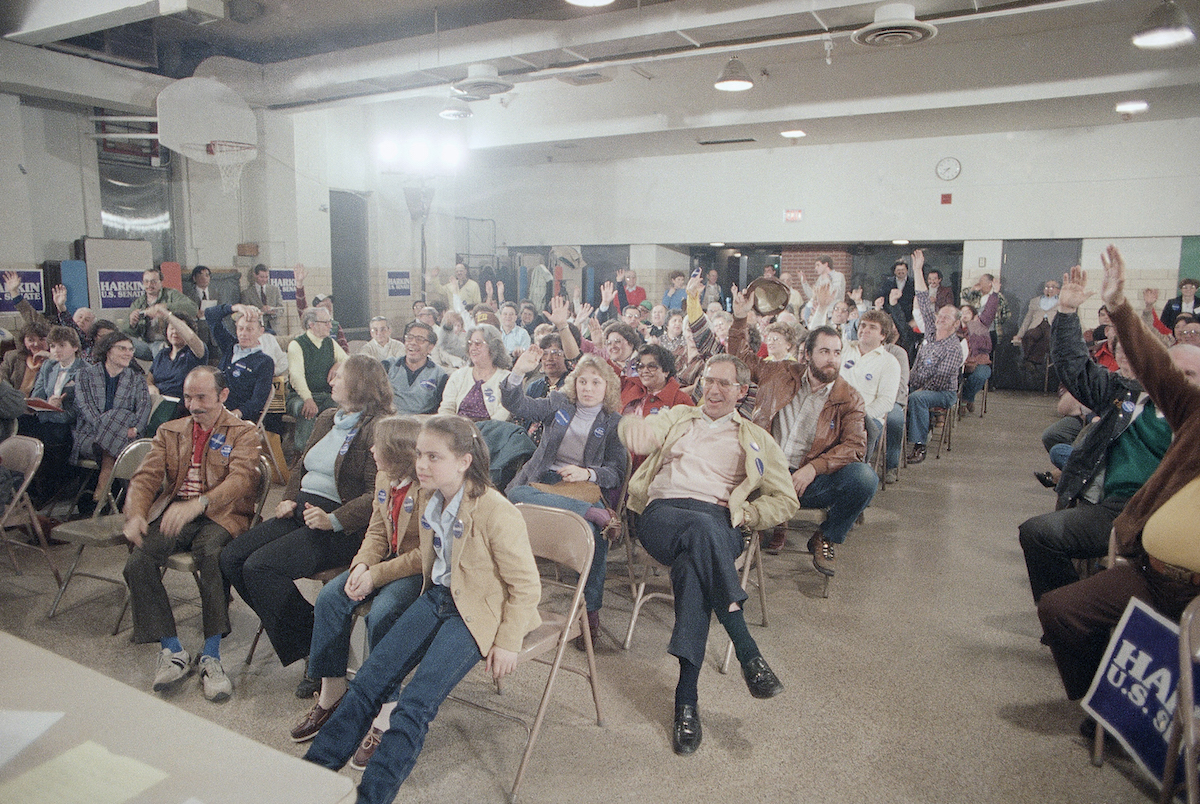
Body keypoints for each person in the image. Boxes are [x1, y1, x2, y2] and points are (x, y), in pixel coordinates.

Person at [303, 415, 540, 802]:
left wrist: (508, 641)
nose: (421, 464)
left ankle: (372, 797)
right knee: (366, 683)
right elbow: (386, 534)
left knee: (414, 706)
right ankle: (312, 777)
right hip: (437, 597)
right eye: (419, 454)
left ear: (464, 461)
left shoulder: (496, 510)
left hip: (475, 612)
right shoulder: (429, 495)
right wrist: (368, 565)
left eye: (434, 456)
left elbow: (527, 586)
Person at [1038, 245, 1200, 707]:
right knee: (1058, 609)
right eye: (1179, 374)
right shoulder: (1172, 406)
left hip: (1181, 576)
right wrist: (1117, 306)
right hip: (1149, 563)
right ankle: (1100, 695)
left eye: (1193, 374)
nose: (1181, 381)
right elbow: (1152, 365)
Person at [619, 354, 797, 755]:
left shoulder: (755, 438)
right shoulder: (680, 416)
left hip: (719, 521)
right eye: (708, 381)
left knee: (692, 567)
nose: (712, 390)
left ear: (741, 391)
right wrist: (634, 430)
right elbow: (644, 431)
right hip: (663, 514)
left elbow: (785, 500)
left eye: (723, 384)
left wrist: (749, 513)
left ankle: (687, 700)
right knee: (700, 537)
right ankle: (747, 650)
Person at [221, 356, 392, 678]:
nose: (331, 382)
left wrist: (334, 520)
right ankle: (319, 637)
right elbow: (302, 464)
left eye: (338, 376)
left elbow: (377, 495)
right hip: (301, 510)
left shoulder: (378, 428)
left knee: (260, 567)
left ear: (358, 383)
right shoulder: (329, 417)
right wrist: (287, 499)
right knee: (231, 558)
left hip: (342, 526)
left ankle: (317, 653)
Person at [1018, 263, 1175, 603]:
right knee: (1038, 532)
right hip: (1116, 509)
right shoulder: (1123, 394)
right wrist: (1068, 310)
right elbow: (1074, 367)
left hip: (1168, 510)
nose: (1130, 360)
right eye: (1123, 353)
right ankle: (1066, 610)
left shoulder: (1188, 414)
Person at [289, 417, 425, 766]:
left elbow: (426, 555)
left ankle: (385, 708)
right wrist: (362, 565)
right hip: (382, 562)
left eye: (379, 445)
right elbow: (377, 531)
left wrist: (375, 575)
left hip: (415, 570)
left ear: (398, 453)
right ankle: (331, 692)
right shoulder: (384, 478)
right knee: (332, 597)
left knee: (383, 614)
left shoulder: (428, 489)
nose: (372, 450)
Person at [122, 366, 260, 702]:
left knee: (212, 557)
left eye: (201, 397)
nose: (193, 404)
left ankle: (211, 655)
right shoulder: (171, 430)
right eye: (188, 396)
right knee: (137, 562)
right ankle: (172, 650)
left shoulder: (244, 433)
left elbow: (241, 480)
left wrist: (199, 503)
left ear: (222, 396)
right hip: (178, 511)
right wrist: (137, 514)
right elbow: (144, 479)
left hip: (221, 515)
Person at [730, 286, 875, 570]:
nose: (832, 359)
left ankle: (826, 536)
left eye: (836, 352)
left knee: (865, 479)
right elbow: (740, 360)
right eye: (824, 351)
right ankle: (739, 532)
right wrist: (739, 319)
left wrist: (814, 468)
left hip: (806, 481)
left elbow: (855, 446)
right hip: (763, 470)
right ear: (806, 354)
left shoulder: (850, 397)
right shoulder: (779, 371)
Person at [502, 350, 627, 647]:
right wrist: (519, 372)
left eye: (595, 382)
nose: (587, 388)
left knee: (596, 540)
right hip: (542, 482)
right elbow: (517, 404)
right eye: (582, 381)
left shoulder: (613, 423)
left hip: (580, 487)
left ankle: (591, 614)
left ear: (607, 387)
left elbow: (616, 473)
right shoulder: (558, 403)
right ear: (574, 384)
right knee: (514, 496)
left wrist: (587, 473)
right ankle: (590, 513)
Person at [72, 331, 151, 513]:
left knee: (122, 417)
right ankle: (128, 496)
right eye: (122, 348)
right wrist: (109, 424)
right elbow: (86, 408)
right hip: (91, 435)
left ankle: (104, 481)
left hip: (126, 435)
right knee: (119, 416)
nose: (128, 353)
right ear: (108, 351)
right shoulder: (84, 375)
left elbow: (144, 407)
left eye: (131, 349)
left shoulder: (137, 379)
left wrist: (137, 428)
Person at [904, 250, 964, 464]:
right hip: (919, 384)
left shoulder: (953, 347)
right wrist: (918, 270)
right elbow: (922, 298)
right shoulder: (931, 332)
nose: (940, 319)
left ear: (956, 324)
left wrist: (918, 387)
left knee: (917, 398)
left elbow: (940, 379)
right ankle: (907, 434)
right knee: (898, 394)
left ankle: (920, 446)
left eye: (947, 317)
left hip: (944, 393)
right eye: (940, 315)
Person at [20, 326, 82, 505]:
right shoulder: (48, 365)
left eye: (62, 345)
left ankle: (46, 489)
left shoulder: (84, 370)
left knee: (47, 431)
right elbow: (37, 394)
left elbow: (77, 411)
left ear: (75, 347)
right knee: (19, 424)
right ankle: (26, 487)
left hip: (69, 421)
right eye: (53, 346)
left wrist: (55, 408)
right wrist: (48, 405)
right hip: (47, 416)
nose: (56, 350)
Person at [838, 309, 902, 477]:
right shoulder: (844, 348)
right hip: (834, 411)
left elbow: (886, 401)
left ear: (883, 335)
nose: (864, 330)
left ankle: (857, 476)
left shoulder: (889, 362)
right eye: (863, 325)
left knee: (856, 436)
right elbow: (817, 341)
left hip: (866, 417)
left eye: (872, 327)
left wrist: (858, 415)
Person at [287, 307, 350, 452]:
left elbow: (349, 362)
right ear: (311, 325)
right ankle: (304, 452)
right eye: (326, 322)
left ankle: (332, 450)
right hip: (299, 397)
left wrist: (339, 364)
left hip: (325, 396)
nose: (330, 326)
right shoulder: (297, 345)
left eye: (330, 322)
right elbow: (297, 377)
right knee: (308, 409)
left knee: (339, 407)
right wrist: (308, 399)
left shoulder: (330, 343)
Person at [201, 303, 275, 423]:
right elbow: (210, 314)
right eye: (240, 328)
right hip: (214, 409)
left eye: (250, 329)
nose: (244, 333)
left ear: (261, 331)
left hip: (239, 417)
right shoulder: (229, 346)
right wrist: (235, 308)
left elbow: (258, 401)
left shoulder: (264, 362)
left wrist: (236, 413)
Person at [144, 306, 208, 434]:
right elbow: (149, 379)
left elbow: (190, 338)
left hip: (180, 407)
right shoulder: (162, 354)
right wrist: (151, 387)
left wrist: (168, 315)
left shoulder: (196, 353)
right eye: (171, 328)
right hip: (156, 402)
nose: (174, 332)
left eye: (178, 328)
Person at [437, 324, 512, 421]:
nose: (472, 348)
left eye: (478, 343)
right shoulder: (458, 375)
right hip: (457, 430)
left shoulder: (506, 378)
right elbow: (446, 408)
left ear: (493, 347)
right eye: (470, 344)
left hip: (491, 431)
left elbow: (503, 413)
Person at [121, 267, 199, 360]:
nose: (149, 285)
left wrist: (165, 307)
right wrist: (132, 323)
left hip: (164, 342)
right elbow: (128, 331)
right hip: (146, 344)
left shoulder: (171, 294)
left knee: (159, 348)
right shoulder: (138, 303)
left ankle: (158, 372)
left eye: (153, 281)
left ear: (161, 282)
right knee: (120, 342)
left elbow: (193, 308)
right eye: (146, 282)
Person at [384, 320, 447, 415]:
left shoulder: (439, 375)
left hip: (422, 424)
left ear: (430, 347)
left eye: (420, 339)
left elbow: (440, 409)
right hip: (391, 421)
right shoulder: (387, 366)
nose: (413, 342)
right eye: (409, 338)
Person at [959, 284, 1001, 413]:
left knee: (981, 374)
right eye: (962, 312)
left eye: (968, 312)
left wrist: (994, 294)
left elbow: (989, 311)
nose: (965, 314)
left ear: (974, 316)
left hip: (979, 362)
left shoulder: (978, 326)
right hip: (959, 363)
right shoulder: (953, 329)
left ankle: (965, 399)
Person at [1, 316, 49, 395]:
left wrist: (50, 358)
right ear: (24, 341)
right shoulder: (12, 357)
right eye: (31, 340)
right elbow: (3, 382)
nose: (36, 344)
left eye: (41, 339)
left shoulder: (54, 361)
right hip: (12, 402)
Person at [242, 263, 284, 333]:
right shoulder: (247, 293)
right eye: (261, 277)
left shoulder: (275, 290)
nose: (264, 280)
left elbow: (281, 309)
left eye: (266, 277)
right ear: (255, 275)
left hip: (274, 328)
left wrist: (273, 312)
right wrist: (260, 311)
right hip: (256, 329)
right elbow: (246, 312)